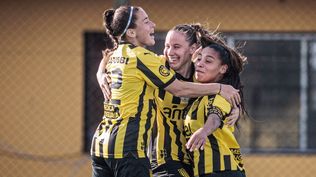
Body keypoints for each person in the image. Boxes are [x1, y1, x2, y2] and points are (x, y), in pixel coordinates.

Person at [91, 5, 240, 177]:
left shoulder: (200, 75)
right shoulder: (156, 64)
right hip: (164, 159)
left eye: (176, 47)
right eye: (167, 46)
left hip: (194, 159)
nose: (169, 52)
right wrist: (100, 73)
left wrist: (234, 106)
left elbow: (228, 89)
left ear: (193, 50)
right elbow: (114, 54)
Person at [184, 31, 247, 177]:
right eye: (199, 59)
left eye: (208, 61)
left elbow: (215, 117)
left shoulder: (222, 95)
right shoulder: (198, 94)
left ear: (223, 69)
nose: (200, 64)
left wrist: (204, 131)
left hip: (222, 171)